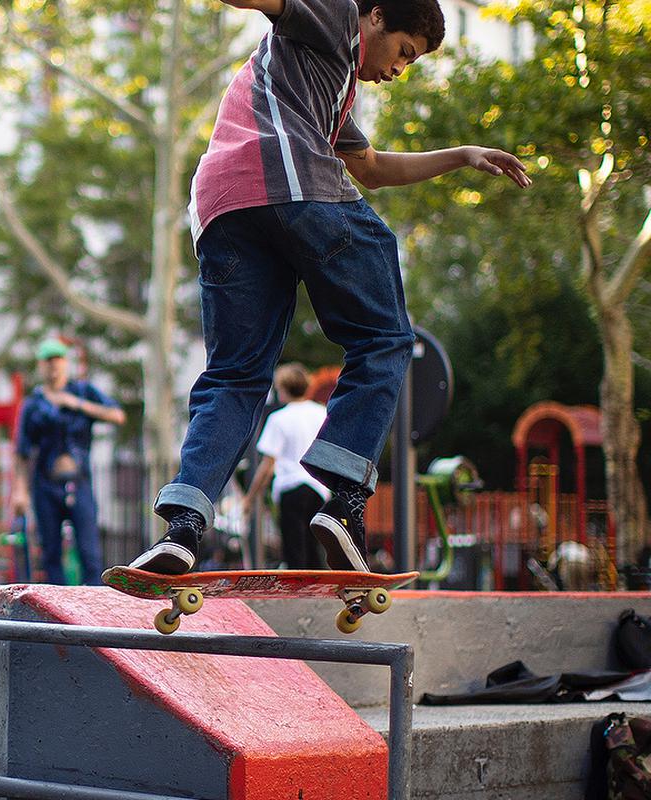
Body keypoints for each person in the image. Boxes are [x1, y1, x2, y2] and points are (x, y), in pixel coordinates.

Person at [130, 0, 531, 575]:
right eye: (404, 52)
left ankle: (185, 527)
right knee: (387, 339)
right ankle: (343, 503)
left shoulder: (321, 84)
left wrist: (463, 156)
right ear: (374, 18)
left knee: (235, 374)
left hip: (221, 209)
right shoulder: (334, 15)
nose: (398, 70)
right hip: (290, 182)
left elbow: (370, 168)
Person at [11, 337, 126, 584]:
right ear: (41, 366)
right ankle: (58, 613)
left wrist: (76, 404)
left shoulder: (83, 391)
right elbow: (21, 451)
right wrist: (20, 490)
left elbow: (117, 415)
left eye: (58, 359)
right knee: (50, 552)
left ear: (66, 362)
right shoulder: (32, 405)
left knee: (89, 552)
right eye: (48, 361)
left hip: (79, 481)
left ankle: (94, 604)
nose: (53, 366)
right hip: (45, 483)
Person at [242, 364, 330, 569]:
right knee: (314, 542)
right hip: (318, 486)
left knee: (293, 545)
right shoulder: (321, 413)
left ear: (283, 388)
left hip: (290, 486)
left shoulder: (278, 418)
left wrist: (250, 497)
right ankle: (317, 585)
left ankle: (297, 588)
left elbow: (268, 465)